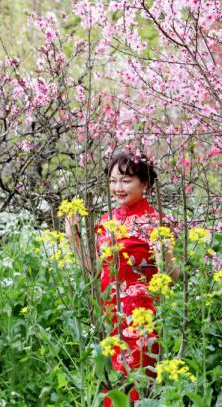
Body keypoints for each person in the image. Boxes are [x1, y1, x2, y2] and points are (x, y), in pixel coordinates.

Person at [66, 151, 179, 405]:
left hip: (141, 321)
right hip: (110, 319)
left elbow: (173, 276)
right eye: (113, 181)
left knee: (136, 389)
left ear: (145, 184)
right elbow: (95, 273)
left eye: (126, 181)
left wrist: (166, 260)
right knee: (110, 389)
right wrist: (74, 238)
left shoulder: (157, 221)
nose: (117, 188)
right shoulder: (106, 221)